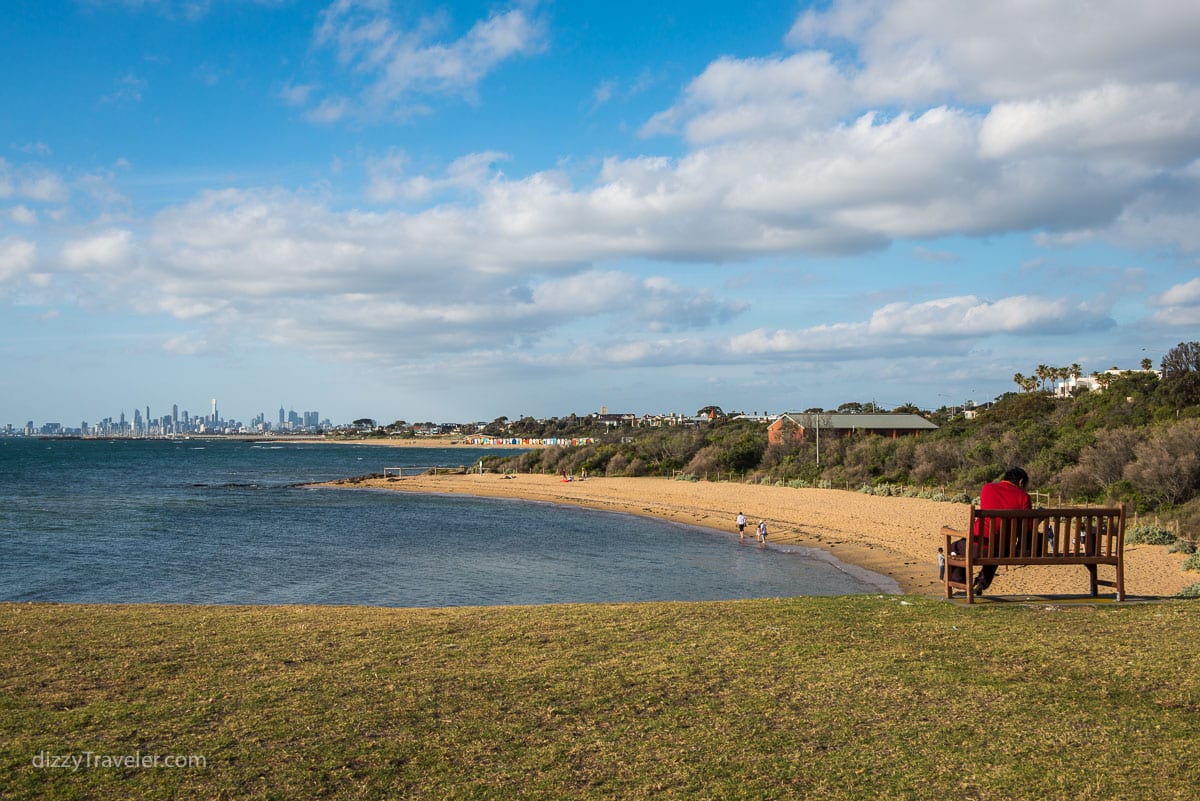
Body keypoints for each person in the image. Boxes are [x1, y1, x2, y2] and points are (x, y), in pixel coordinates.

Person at [972, 467, 1032, 594]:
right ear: (1021, 482)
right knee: (995, 552)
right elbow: (1027, 527)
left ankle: (961, 582)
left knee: (955, 548)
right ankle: (981, 582)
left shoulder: (987, 488)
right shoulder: (1024, 497)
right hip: (1004, 548)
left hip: (981, 543)